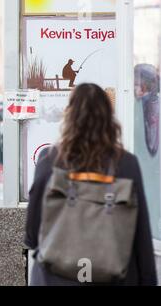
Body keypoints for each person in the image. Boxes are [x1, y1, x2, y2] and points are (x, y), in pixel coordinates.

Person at [25, 83, 158, 286]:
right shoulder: (126, 163)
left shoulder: (50, 159)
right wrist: (148, 279)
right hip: (116, 277)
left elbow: (32, 233)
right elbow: (141, 234)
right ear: (108, 118)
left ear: (69, 116)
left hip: (55, 278)